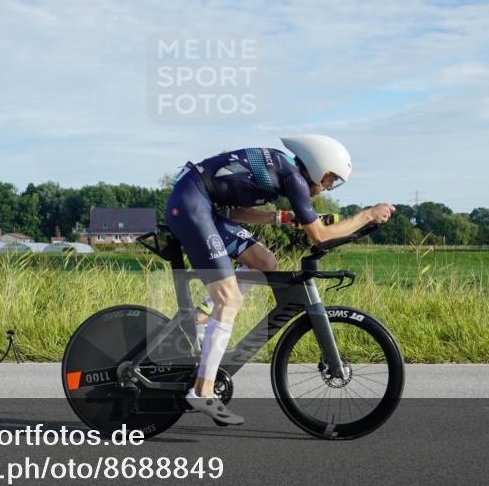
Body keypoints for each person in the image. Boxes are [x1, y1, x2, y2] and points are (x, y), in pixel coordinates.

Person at [164, 135, 395, 426]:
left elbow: (236, 212)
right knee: (230, 300)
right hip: (192, 206)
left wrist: (281, 218)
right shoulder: (294, 179)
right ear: (317, 166)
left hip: (201, 204)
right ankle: (202, 390)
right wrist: (367, 215)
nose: (327, 187)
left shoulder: (284, 170)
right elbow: (320, 236)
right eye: (330, 179)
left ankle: (202, 315)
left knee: (265, 262)